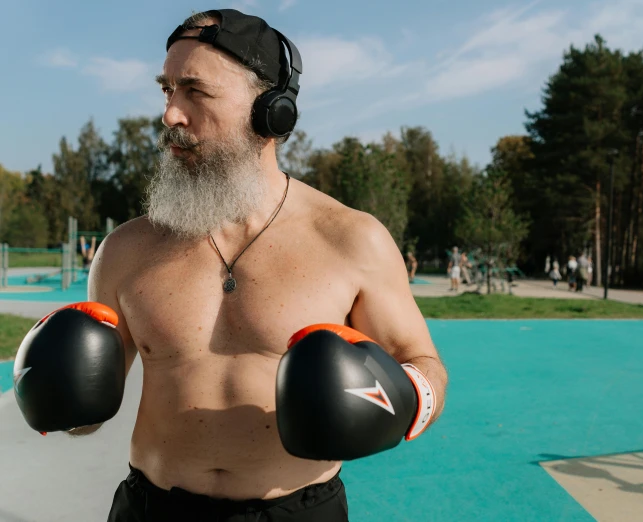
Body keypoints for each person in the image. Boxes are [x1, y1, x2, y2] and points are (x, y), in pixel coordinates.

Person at [13, 9, 447, 522]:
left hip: (296, 511)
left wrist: (404, 398)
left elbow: (424, 364)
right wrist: (63, 402)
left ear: (270, 112)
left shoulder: (351, 240)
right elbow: (86, 413)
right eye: (166, 90)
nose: (170, 115)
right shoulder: (126, 250)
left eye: (194, 91)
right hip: (152, 508)